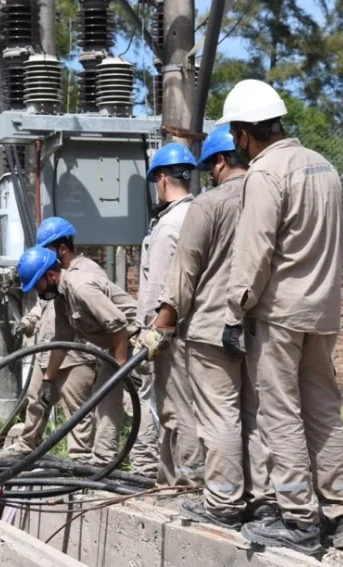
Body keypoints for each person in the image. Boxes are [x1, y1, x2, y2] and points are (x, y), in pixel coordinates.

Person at [220, 80, 343, 555]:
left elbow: (254, 250)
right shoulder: (324, 166)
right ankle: (342, 515)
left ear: (244, 134)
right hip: (322, 310)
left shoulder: (265, 173)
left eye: (235, 135)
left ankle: (299, 519)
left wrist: (235, 310)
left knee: (280, 414)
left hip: (279, 313)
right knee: (324, 412)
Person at [142, 125, 275, 529]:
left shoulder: (209, 204)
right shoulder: (269, 197)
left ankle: (222, 501)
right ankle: (263, 499)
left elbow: (183, 275)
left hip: (212, 325)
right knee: (256, 414)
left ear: (219, 161)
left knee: (219, 416)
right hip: (258, 326)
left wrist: (162, 326)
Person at [16, 246, 139, 467]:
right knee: (105, 399)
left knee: (129, 401)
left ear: (50, 275)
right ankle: (102, 463)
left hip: (136, 340)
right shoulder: (61, 297)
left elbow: (119, 324)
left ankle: (129, 463)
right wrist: (47, 380)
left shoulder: (81, 288)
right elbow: (62, 340)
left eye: (38, 286)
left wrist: (120, 369)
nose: (38, 292)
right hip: (118, 344)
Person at [0, 218, 102, 464]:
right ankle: (27, 446)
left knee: (77, 408)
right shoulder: (49, 274)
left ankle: (80, 458)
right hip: (48, 350)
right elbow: (43, 305)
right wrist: (29, 321)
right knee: (37, 399)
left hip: (76, 354)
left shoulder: (87, 272)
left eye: (48, 249)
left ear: (62, 248)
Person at [136, 143, 202, 484]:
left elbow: (158, 289)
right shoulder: (201, 215)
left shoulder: (167, 226)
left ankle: (187, 482)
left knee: (175, 409)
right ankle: (169, 479)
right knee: (184, 406)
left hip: (168, 334)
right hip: (198, 329)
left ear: (162, 180)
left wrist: (149, 337)